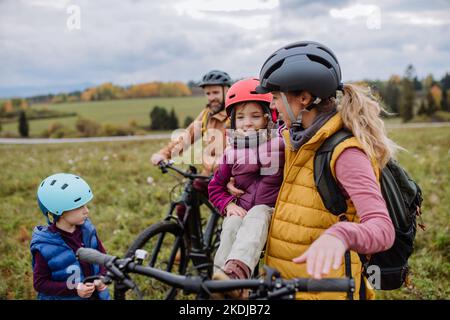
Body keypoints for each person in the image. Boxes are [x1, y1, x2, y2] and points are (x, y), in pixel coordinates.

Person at [226, 41, 396, 300]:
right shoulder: (292, 140)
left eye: (275, 98)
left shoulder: (345, 153)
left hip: (327, 292)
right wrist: (233, 183)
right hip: (282, 286)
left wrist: (342, 234)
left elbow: (382, 229)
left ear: (304, 99)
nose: (272, 106)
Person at [208, 78, 284, 298]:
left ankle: (238, 276)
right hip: (243, 209)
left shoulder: (281, 144)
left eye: (255, 116)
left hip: (270, 211)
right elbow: (215, 188)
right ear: (232, 121)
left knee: (258, 213)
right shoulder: (230, 153)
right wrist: (228, 204)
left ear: (269, 118)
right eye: (240, 117)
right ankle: (221, 282)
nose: (247, 123)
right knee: (231, 224)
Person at [30, 173, 110, 300]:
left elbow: (103, 258)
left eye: (86, 205)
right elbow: (40, 284)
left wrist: (102, 277)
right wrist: (75, 289)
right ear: (59, 211)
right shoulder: (45, 247)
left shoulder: (88, 231)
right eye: (79, 207)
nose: (86, 211)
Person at [151, 70, 232, 192]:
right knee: (186, 202)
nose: (211, 98)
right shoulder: (206, 114)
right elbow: (186, 137)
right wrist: (164, 154)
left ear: (227, 91)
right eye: (208, 93)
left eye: (215, 92)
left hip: (231, 178)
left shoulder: (236, 115)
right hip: (209, 174)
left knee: (225, 209)